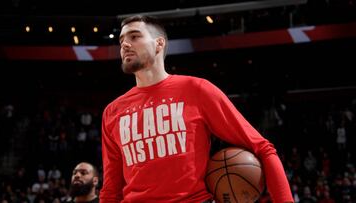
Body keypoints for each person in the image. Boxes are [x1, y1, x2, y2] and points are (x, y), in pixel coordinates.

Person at [100, 15, 294, 203]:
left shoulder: (197, 90)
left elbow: (263, 148)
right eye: (121, 40)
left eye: (134, 36)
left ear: (159, 44)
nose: (125, 44)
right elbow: (111, 190)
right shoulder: (112, 111)